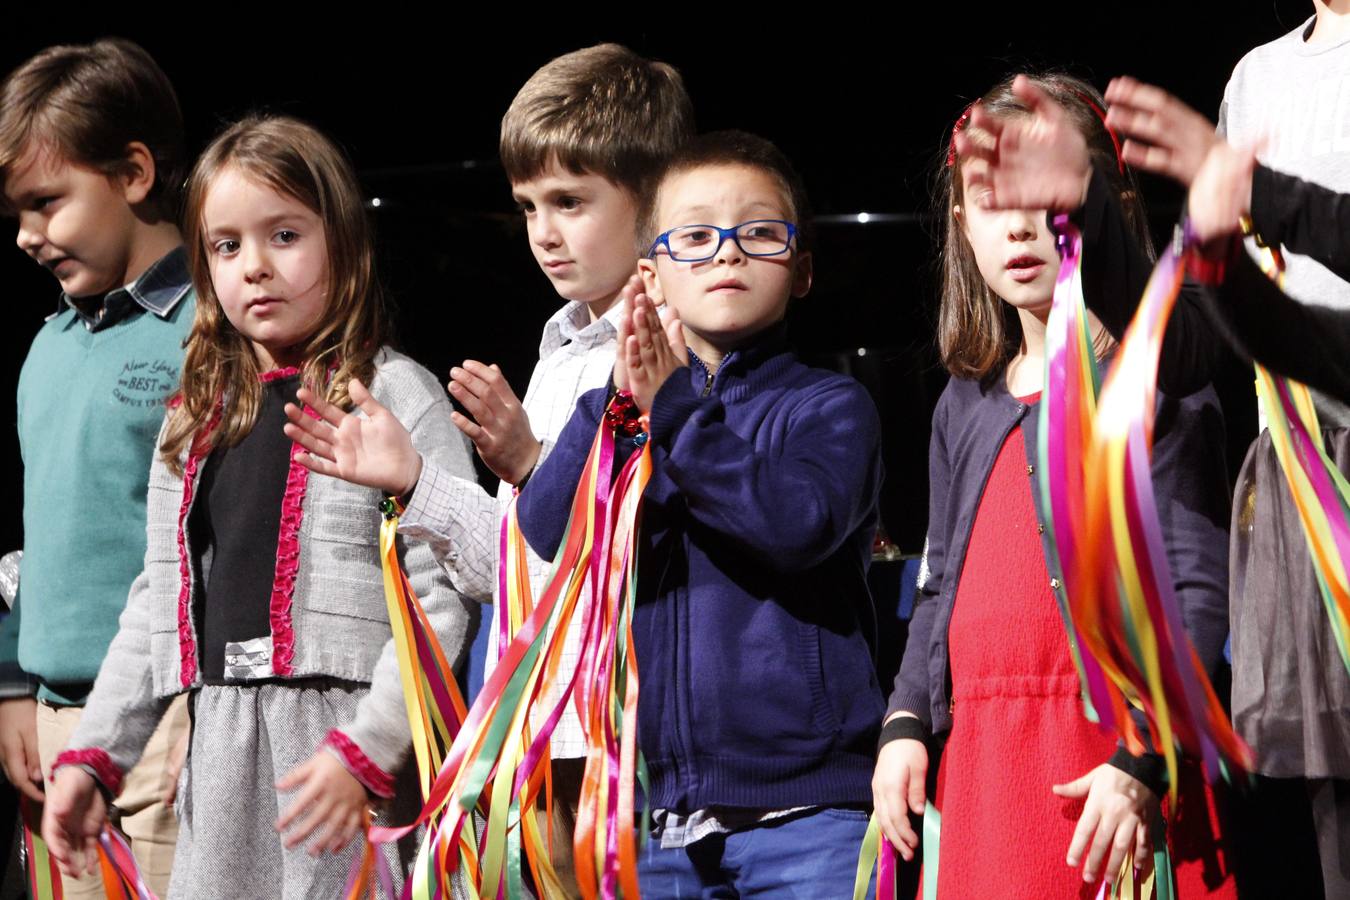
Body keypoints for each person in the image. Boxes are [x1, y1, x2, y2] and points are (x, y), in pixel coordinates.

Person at [283, 43, 693, 894]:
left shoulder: (669, 346)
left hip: (623, 745)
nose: (543, 232)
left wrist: (534, 461)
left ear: (653, 201)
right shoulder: (558, 352)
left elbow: (615, 547)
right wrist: (415, 481)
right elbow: (509, 569)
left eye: (571, 202)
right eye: (528, 205)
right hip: (534, 742)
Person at [40, 115, 476, 899]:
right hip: (221, 743)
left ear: (342, 240)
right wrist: (96, 754)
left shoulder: (393, 395)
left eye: (284, 235)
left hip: (340, 740)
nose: (255, 269)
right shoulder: (197, 415)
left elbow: (439, 600)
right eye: (227, 246)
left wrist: (368, 748)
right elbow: (157, 598)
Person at [876, 74, 1236, 899]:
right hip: (990, 764)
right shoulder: (962, 405)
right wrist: (905, 722)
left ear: (1108, 207)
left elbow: (1199, 590)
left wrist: (1146, 754)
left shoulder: (1156, 379)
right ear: (964, 227)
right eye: (992, 202)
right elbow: (936, 588)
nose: (1022, 226)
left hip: (1113, 756)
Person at [509, 130, 885, 897]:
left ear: (803, 269)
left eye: (758, 232)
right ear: (650, 276)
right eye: (695, 235)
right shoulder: (627, 412)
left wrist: (674, 406)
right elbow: (548, 527)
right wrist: (613, 402)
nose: (726, 252)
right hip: (656, 821)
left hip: (809, 815)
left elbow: (796, 524)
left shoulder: (829, 405)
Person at [0, 38, 194, 897]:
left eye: (47, 203)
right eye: (18, 210)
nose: (26, 235)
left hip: (165, 730)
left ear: (135, 173)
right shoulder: (48, 346)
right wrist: (15, 683)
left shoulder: (210, 331)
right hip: (52, 726)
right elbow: (39, 529)